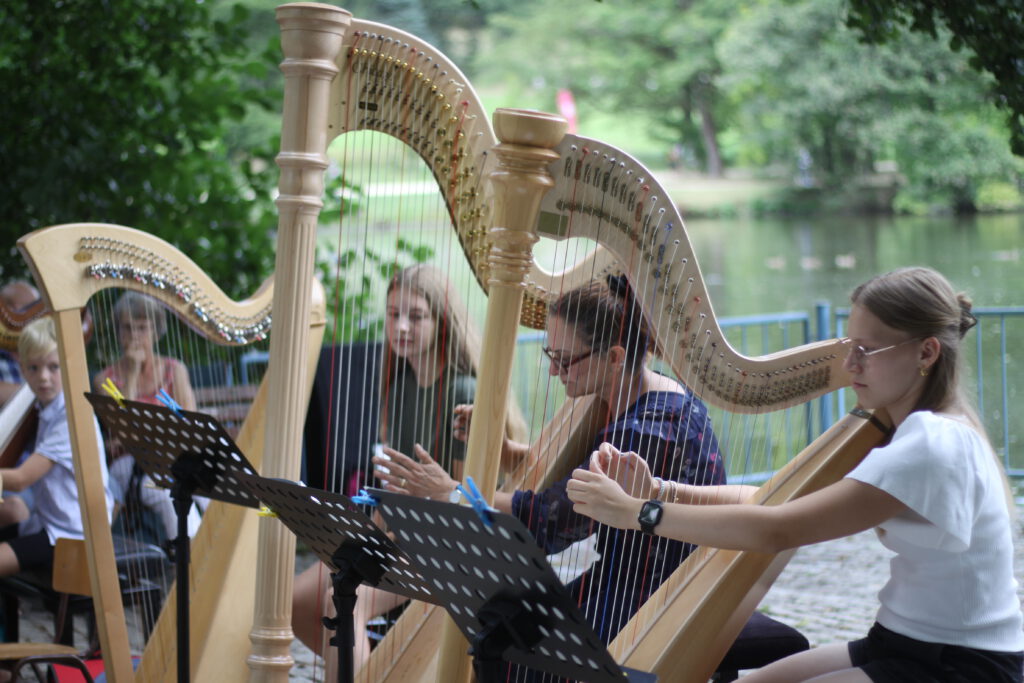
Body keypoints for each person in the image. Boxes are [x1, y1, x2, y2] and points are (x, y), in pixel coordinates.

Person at [567, 266, 1024, 683]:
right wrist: (661, 490)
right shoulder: (918, 427)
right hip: (901, 640)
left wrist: (640, 513)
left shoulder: (931, 443)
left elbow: (778, 529)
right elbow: (771, 502)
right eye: (850, 347)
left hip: (960, 665)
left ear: (926, 352)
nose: (850, 365)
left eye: (867, 350)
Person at [378, 276, 733, 655]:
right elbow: (572, 484)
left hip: (654, 596)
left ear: (615, 358)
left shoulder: (642, 432)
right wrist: (506, 452)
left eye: (564, 360)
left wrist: (450, 493)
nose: (553, 371)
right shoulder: (647, 395)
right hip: (624, 577)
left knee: (504, 640)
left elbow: (549, 522)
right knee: (501, 624)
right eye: (551, 355)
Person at [292, 264, 527, 672]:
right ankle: (373, 671)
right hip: (403, 532)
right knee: (298, 602)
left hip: (452, 544)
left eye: (416, 316)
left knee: (344, 603)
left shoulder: (463, 391)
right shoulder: (400, 386)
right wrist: (367, 537)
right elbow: (395, 488)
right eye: (393, 314)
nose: (401, 326)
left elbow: (463, 501)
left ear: (441, 322)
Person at [0, 317, 113, 578]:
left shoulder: (71, 417)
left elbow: (21, 479)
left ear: (68, 366)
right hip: (46, 524)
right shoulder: (46, 407)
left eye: (53, 367)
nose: (43, 377)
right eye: (34, 367)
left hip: (71, 536)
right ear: (22, 369)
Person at [92, 292, 200, 546]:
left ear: (156, 331)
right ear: (118, 332)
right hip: (130, 466)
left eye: (142, 328)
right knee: (169, 494)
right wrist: (131, 373)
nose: (134, 336)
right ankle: (191, 557)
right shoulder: (105, 379)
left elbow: (189, 424)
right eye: (127, 328)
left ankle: (216, 555)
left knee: (218, 488)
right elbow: (123, 429)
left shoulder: (174, 370)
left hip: (176, 457)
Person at [0, 280, 41, 407]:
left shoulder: (43, 353)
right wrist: (40, 393)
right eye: (30, 310)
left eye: (38, 312)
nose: (36, 318)